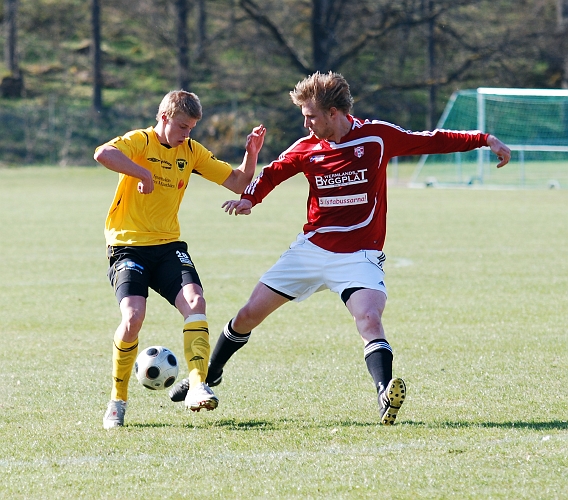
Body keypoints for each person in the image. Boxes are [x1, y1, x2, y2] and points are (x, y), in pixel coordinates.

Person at [169, 72, 511, 425]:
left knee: (369, 318)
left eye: (310, 116)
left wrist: (484, 139)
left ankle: (383, 394)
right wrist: (250, 199)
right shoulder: (306, 149)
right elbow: (272, 173)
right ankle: (208, 377)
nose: (305, 123)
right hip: (311, 250)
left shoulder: (377, 137)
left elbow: (431, 140)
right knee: (247, 315)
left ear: (334, 113)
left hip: (359, 255)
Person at [94, 90, 266, 429]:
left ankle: (198, 386)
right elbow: (103, 153)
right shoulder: (141, 141)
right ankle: (118, 400)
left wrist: (251, 155)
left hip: (168, 245)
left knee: (195, 301)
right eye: (183, 127)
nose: (187, 134)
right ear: (164, 118)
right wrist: (141, 173)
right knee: (132, 317)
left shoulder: (191, 151)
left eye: (191, 128)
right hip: (127, 245)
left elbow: (238, 182)